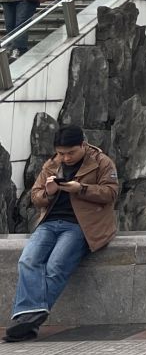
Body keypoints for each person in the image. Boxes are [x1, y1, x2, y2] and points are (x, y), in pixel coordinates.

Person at [5, 125, 118, 343]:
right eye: (61, 153)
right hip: (49, 222)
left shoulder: (102, 162)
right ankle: (29, 322)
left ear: (83, 145)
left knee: (56, 266)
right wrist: (48, 193)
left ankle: (25, 322)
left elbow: (111, 192)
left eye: (71, 153)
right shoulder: (52, 164)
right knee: (27, 261)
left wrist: (81, 189)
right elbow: (35, 196)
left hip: (81, 225)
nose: (65, 158)